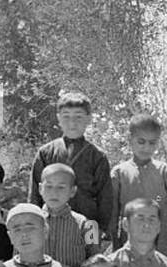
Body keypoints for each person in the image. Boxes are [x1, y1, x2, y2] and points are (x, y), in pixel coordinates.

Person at [29, 91, 113, 232]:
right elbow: (35, 196)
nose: (72, 122)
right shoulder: (46, 153)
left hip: (87, 226)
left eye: (78, 117)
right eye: (66, 116)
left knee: (89, 254)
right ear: (58, 118)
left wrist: (100, 234)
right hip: (50, 227)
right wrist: (34, 226)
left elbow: (105, 200)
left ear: (88, 119)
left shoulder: (97, 156)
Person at [107, 113, 167, 249]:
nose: (146, 148)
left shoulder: (165, 172)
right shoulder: (119, 173)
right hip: (129, 245)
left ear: (158, 142)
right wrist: (115, 245)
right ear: (130, 139)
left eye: (152, 143)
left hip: (160, 246)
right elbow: (112, 216)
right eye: (141, 142)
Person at [39, 163, 101, 267]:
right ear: (40, 189)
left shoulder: (89, 225)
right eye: (49, 186)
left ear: (73, 191)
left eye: (61, 187)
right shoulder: (31, 221)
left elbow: (95, 261)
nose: (54, 192)